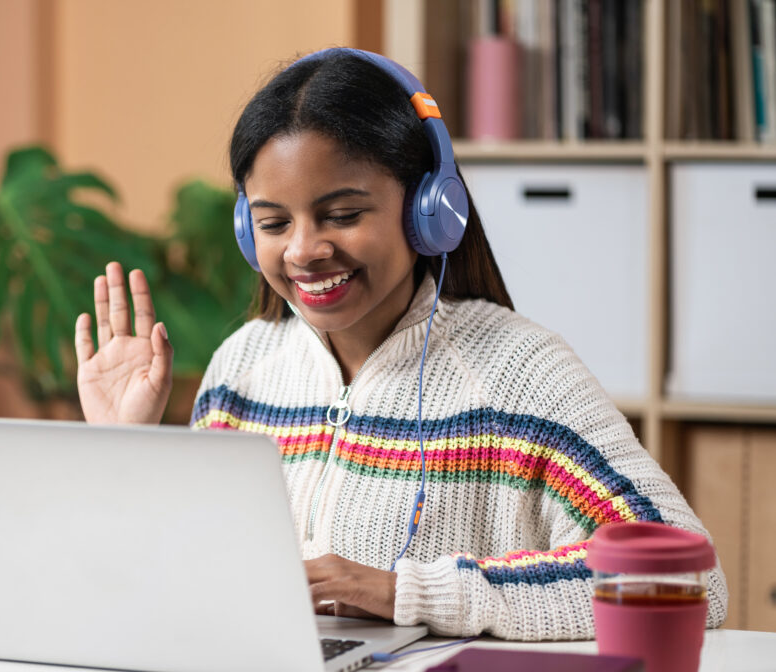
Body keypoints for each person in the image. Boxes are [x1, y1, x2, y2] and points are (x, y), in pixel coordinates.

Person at [73, 48, 727, 641]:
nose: (303, 250)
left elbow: (684, 583)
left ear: (429, 210)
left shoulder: (520, 375)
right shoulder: (240, 371)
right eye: (274, 222)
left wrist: (409, 592)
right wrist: (123, 451)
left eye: (343, 214)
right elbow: (188, 581)